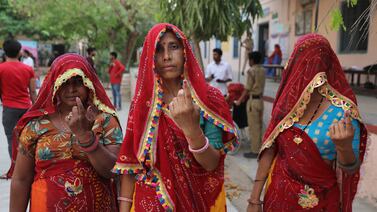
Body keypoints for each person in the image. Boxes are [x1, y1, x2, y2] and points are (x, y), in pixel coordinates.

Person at [113, 23, 238, 211]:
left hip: (197, 201)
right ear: (150, 57)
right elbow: (131, 167)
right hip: (149, 203)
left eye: (173, 46)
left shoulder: (208, 99)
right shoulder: (142, 105)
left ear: (185, 51)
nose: (167, 56)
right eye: (158, 49)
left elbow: (212, 163)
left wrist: (192, 129)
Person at [247, 34, 367, 211]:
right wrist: (254, 199)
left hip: (320, 202)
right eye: (303, 61)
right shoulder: (286, 105)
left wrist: (344, 147)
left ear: (326, 65)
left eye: (313, 62)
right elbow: (270, 149)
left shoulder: (343, 111)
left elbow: (350, 169)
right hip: (278, 199)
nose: (307, 69)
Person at [9, 54, 123, 211]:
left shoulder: (105, 121)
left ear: (89, 83)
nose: (71, 89)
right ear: (55, 85)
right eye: (65, 83)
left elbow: (113, 171)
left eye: (78, 82)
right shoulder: (36, 126)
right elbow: (21, 179)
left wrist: (86, 137)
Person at [0, 40, 37, 160]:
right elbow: (32, 91)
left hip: (9, 109)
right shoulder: (28, 69)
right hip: (26, 109)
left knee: (12, 139)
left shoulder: (1, 69)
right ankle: (27, 169)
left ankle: (14, 170)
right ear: (19, 52)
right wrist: (37, 108)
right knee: (27, 139)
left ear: (5, 52)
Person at [235, 51, 265, 158]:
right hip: (260, 101)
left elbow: (247, 88)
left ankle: (255, 150)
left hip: (253, 101)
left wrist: (239, 100)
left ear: (252, 60)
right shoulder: (263, 70)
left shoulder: (251, 71)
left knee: (253, 127)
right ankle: (260, 147)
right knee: (259, 125)